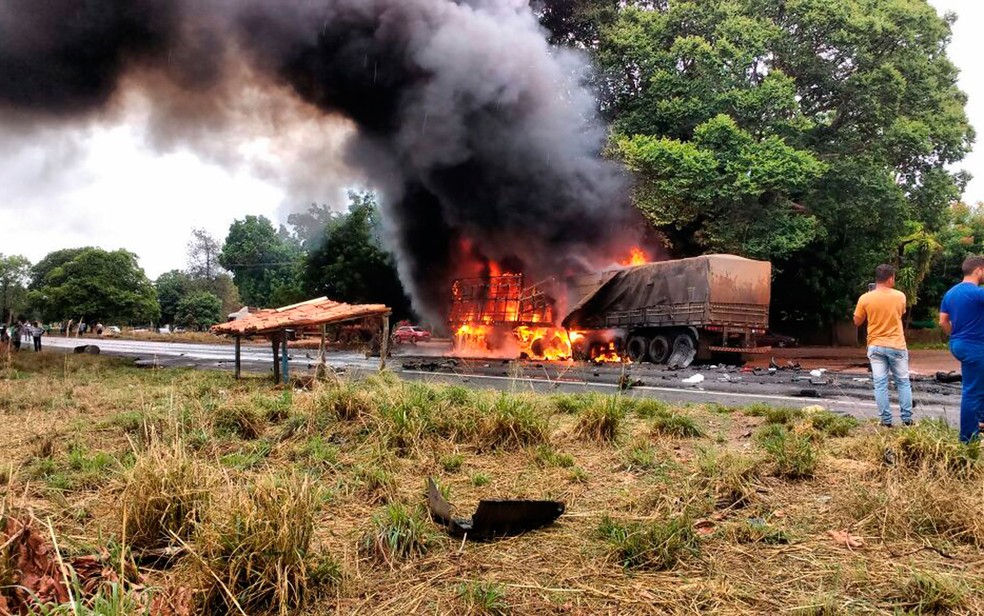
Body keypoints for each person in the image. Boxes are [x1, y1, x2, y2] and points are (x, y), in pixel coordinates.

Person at [854, 264, 913, 427]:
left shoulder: (865, 298)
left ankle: (886, 421)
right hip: (896, 345)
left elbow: (857, 321)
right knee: (903, 382)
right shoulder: (900, 296)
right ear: (890, 278)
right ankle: (907, 419)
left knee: (880, 383)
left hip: (875, 345)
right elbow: (900, 313)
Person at [939, 255, 984, 442]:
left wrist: (955, 335)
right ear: (979, 270)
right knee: (972, 391)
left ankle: (980, 421)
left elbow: (943, 321)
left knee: (977, 385)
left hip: (958, 344)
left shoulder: (950, 293)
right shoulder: (978, 293)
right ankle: (967, 439)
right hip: (975, 346)